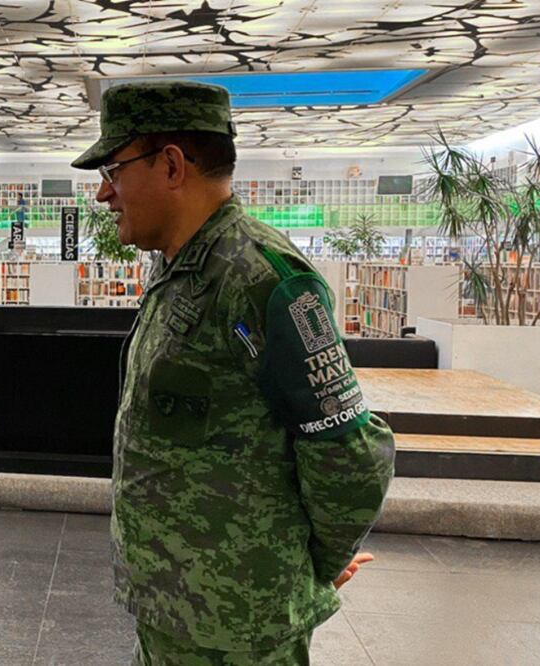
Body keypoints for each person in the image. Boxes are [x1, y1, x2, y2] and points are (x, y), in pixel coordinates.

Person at [71, 81, 396, 665]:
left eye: (114, 171)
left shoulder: (261, 279)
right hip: (176, 611)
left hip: (238, 629)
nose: (103, 194)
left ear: (171, 165)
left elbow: (350, 453)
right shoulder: (184, 268)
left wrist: (304, 567)